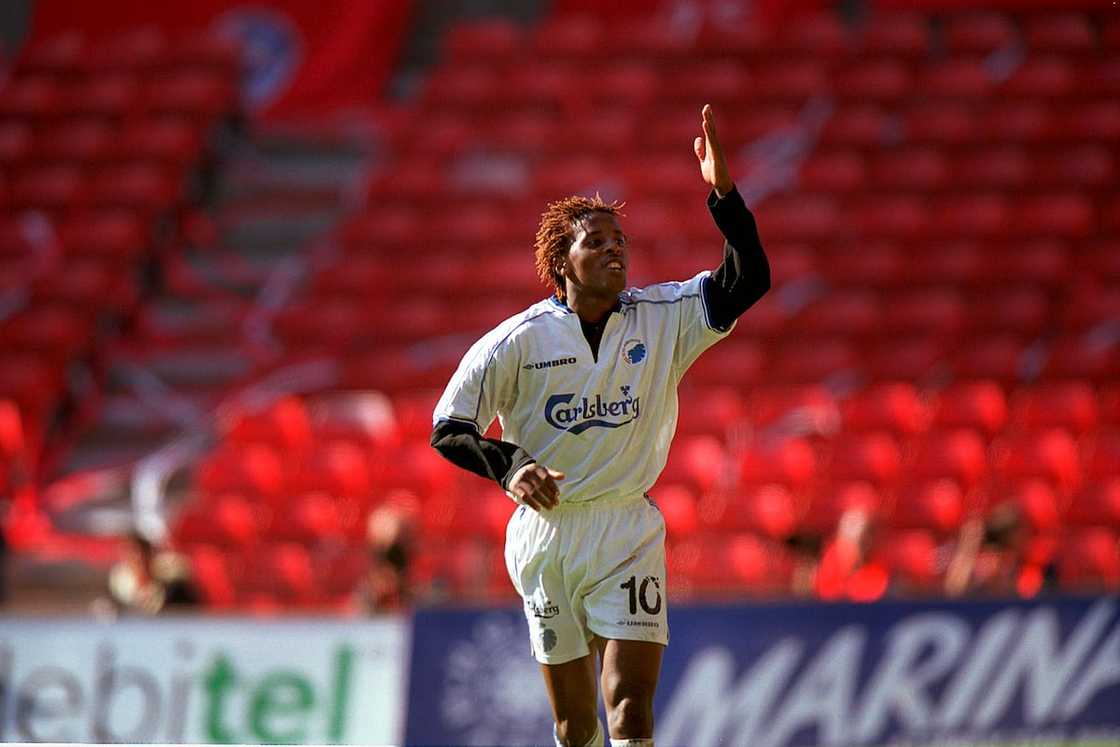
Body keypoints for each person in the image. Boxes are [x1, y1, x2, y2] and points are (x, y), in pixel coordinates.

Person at [431, 104, 770, 747]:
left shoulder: (660, 316)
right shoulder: (517, 342)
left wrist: (723, 195)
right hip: (547, 536)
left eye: (622, 243)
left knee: (630, 708)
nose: (616, 251)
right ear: (563, 260)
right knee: (574, 725)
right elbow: (448, 427)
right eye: (598, 243)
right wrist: (512, 465)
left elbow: (749, 279)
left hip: (626, 526)